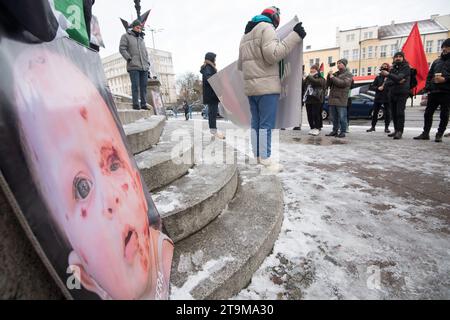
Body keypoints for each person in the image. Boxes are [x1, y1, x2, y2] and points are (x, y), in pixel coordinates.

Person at [13, 48, 173, 300]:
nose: (112, 198)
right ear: (84, 276)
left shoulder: (161, 249)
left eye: (113, 163)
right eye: (82, 187)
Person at [237, 6, 306, 173]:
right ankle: (266, 160)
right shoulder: (266, 28)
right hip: (267, 87)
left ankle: (258, 157)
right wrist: (295, 36)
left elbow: (240, 65)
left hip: (251, 89)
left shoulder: (245, 35)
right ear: (274, 18)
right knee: (266, 125)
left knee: (256, 124)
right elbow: (273, 55)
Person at [414, 38, 450, 143]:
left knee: (444, 114)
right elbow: (429, 75)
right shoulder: (436, 61)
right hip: (434, 91)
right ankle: (425, 133)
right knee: (428, 113)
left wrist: (445, 79)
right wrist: (428, 87)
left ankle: (439, 134)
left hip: (447, 92)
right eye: (443, 47)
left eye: (447, 47)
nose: (445, 49)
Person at [119, 19, 150, 110]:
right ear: (133, 27)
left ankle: (144, 104)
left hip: (144, 66)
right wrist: (129, 58)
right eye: (137, 27)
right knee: (135, 85)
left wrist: (147, 62)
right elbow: (122, 49)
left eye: (140, 28)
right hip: (133, 66)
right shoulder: (125, 36)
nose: (139, 29)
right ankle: (136, 104)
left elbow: (145, 52)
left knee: (143, 86)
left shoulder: (141, 39)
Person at [383, 51, 411, 140]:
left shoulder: (406, 67)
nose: (398, 58)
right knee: (394, 113)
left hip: (402, 93)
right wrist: (397, 80)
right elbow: (387, 83)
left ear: (403, 58)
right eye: (396, 56)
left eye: (400, 56)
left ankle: (400, 131)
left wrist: (389, 75)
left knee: (400, 113)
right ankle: (396, 130)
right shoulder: (393, 68)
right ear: (394, 58)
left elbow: (399, 77)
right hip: (392, 93)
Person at [325, 58, 353, 138]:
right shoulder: (335, 74)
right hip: (333, 98)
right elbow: (328, 84)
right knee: (334, 117)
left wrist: (332, 77)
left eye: (340, 63)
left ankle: (343, 131)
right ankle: (334, 130)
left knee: (342, 117)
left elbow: (343, 84)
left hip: (341, 98)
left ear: (344, 64)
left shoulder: (349, 74)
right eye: (337, 63)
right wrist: (328, 76)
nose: (338, 65)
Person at [201, 52, 225, 139]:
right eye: (214, 58)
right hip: (211, 95)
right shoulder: (208, 68)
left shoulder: (208, 67)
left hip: (211, 94)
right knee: (212, 113)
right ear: (211, 59)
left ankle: (213, 131)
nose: (215, 60)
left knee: (212, 113)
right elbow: (210, 79)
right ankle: (214, 132)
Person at [367, 63, 392, 133]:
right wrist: (378, 88)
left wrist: (387, 88)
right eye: (383, 67)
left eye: (386, 66)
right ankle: (373, 127)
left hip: (387, 97)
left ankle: (386, 127)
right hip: (378, 97)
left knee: (388, 113)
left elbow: (392, 86)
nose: (384, 68)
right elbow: (372, 86)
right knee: (375, 112)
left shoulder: (390, 77)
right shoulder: (378, 77)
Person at [302, 63, 326, 136]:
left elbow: (316, 82)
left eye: (313, 70)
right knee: (309, 114)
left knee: (316, 114)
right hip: (309, 99)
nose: (311, 71)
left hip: (317, 99)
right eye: (311, 70)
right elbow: (303, 86)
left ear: (317, 70)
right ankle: (312, 127)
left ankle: (317, 128)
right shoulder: (308, 78)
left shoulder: (320, 78)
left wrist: (308, 76)